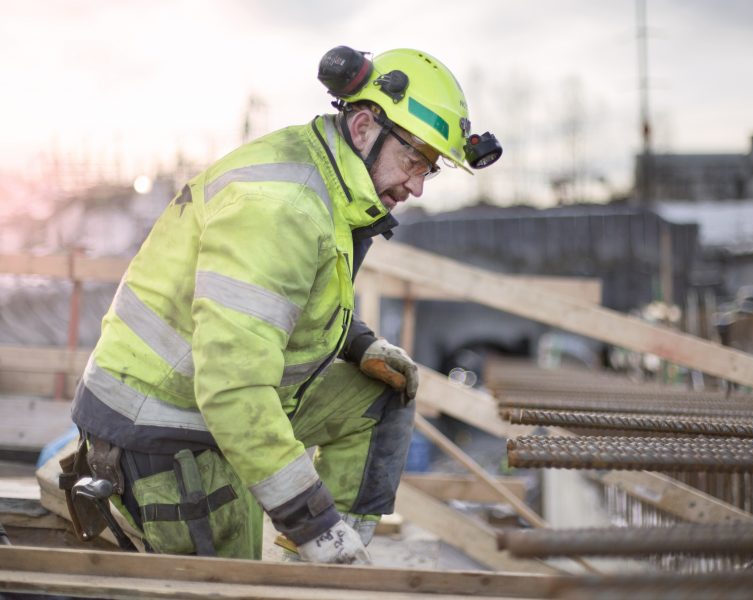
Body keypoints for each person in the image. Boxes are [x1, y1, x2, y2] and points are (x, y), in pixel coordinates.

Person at [65, 46, 500, 564]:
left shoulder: (327, 180)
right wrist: (315, 523)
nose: (418, 186)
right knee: (234, 586)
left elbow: (285, 300)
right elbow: (232, 392)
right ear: (363, 128)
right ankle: (325, 552)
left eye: (431, 169)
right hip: (158, 427)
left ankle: (330, 570)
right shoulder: (282, 207)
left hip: (205, 398)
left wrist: (359, 343)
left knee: (382, 392)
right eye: (414, 160)